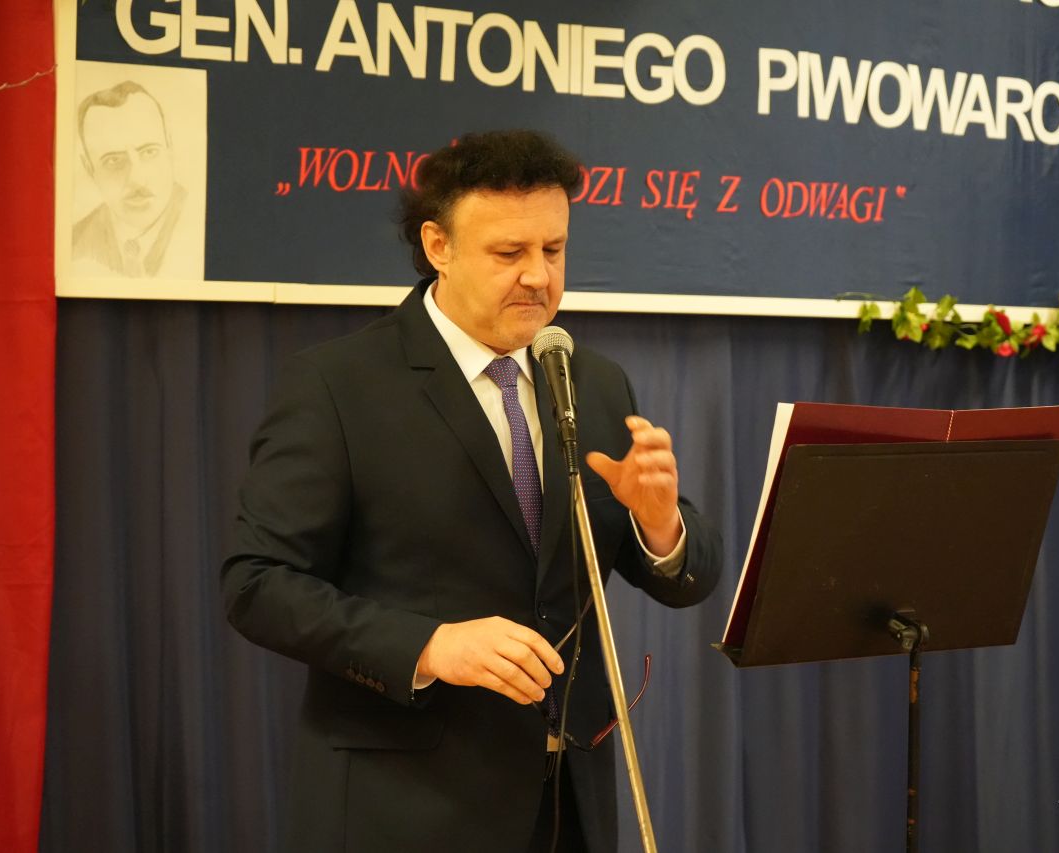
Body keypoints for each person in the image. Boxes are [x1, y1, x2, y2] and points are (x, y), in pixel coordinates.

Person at [221, 130, 722, 853]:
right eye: (509, 253)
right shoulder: (337, 385)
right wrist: (431, 645)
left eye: (553, 250)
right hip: (407, 807)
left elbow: (687, 576)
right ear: (439, 246)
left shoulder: (591, 381)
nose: (538, 277)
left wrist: (661, 523)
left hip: (570, 802)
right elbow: (257, 585)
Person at [72, 80, 195, 279]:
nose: (137, 179)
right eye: (113, 161)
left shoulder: (207, 224)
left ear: (170, 148)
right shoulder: (73, 245)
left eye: (149, 152)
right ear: (89, 169)